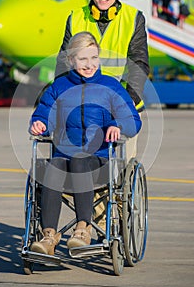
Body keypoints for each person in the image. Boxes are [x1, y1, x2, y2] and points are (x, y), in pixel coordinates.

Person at [55, 0, 149, 236]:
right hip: (82, 112)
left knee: (117, 178)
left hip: (120, 110)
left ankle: (114, 227)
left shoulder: (133, 18)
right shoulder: (75, 17)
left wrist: (124, 105)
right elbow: (64, 62)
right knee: (79, 168)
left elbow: (139, 65)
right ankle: (90, 225)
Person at [29, 32, 142, 255]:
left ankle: (83, 228)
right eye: (82, 59)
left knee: (80, 161)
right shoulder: (59, 86)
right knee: (52, 166)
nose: (89, 65)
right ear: (71, 60)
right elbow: (44, 112)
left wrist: (117, 125)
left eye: (93, 58)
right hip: (64, 158)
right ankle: (49, 236)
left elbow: (132, 119)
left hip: (98, 162)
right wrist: (39, 123)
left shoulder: (111, 86)